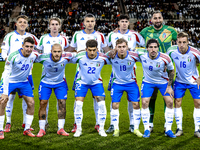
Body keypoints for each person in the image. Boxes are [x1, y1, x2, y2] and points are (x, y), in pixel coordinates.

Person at [65, 13, 111, 133]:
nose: (90, 23)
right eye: (87, 21)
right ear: (83, 23)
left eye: (92, 21)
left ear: (95, 23)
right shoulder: (77, 34)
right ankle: (76, 123)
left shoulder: (100, 35)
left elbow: (107, 51)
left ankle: (98, 123)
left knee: (97, 98)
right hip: (80, 70)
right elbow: (70, 49)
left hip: (96, 70)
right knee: (78, 99)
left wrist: (117, 52)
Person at [106, 14, 145, 133]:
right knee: (114, 100)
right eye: (121, 21)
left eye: (125, 21)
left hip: (131, 68)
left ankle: (132, 124)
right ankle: (113, 124)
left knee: (132, 100)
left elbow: (144, 45)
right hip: (116, 70)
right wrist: (111, 52)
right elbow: (105, 47)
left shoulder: (134, 34)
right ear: (118, 23)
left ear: (128, 23)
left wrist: (134, 52)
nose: (123, 23)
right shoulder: (112, 35)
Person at [140, 10, 177, 132]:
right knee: (152, 96)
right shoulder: (145, 31)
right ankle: (150, 124)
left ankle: (168, 125)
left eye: (159, 18)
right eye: (155, 18)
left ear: (162, 19)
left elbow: (176, 47)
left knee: (168, 97)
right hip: (151, 69)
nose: (157, 20)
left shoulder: (171, 31)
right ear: (151, 20)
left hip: (167, 68)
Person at [0, 15, 39, 132]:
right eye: (20, 22)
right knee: (9, 98)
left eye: (25, 22)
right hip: (12, 70)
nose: (22, 24)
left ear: (27, 24)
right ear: (16, 23)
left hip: (27, 73)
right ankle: (8, 122)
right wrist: (6, 58)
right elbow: (4, 50)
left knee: (27, 99)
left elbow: (38, 50)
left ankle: (25, 123)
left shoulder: (31, 37)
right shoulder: (10, 36)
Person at [137, 39, 175, 138]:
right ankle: (146, 129)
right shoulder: (141, 55)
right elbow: (128, 53)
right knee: (145, 102)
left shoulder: (165, 57)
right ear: (147, 48)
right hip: (148, 82)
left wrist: (169, 86)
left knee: (170, 102)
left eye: (155, 47)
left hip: (163, 82)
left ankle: (168, 129)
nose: (153, 49)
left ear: (158, 48)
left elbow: (172, 71)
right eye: (151, 47)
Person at [36, 44, 76, 137]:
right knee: (43, 103)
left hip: (60, 83)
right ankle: (42, 129)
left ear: (62, 52)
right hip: (45, 83)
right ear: (51, 51)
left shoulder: (67, 56)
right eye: (55, 51)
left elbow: (79, 54)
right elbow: (32, 56)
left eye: (59, 52)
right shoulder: (43, 58)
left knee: (62, 103)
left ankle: (61, 128)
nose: (57, 54)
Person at [72, 39, 109, 137]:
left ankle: (101, 128)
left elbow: (115, 59)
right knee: (79, 104)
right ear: (86, 49)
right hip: (82, 83)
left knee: (101, 104)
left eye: (94, 50)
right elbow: (67, 58)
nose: (92, 52)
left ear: (97, 49)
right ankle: (78, 129)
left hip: (96, 83)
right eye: (90, 50)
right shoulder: (80, 57)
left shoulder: (103, 58)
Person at [37, 17, 69, 129]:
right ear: (49, 26)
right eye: (52, 24)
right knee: (44, 101)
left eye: (56, 24)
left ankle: (60, 126)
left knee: (60, 101)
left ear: (60, 26)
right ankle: (44, 123)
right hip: (46, 73)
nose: (54, 26)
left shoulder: (64, 39)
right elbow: (37, 51)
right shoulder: (43, 38)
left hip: (60, 74)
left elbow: (67, 53)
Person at [167, 32, 200, 138]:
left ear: (188, 42)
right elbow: (167, 64)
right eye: (179, 42)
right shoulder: (171, 51)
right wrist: (169, 83)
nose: (181, 45)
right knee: (177, 102)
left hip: (193, 81)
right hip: (179, 81)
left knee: (198, 103)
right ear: (176, 42)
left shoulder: (195, 52)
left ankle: (197, 129)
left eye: (184, 42)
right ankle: (179, 128)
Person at [107, 38, 142, 137]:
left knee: (136, 104)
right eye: (119, 47)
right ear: (116, 48)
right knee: (115, 105)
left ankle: (135, 128)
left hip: (131, 83)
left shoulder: (134, 56)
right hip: (117, 84)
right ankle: (116, 129)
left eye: (123, 47)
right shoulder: (111, 56)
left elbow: (145, 57)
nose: (122, 49)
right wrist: (110, 52)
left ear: (127, 47)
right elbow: (99, 57)